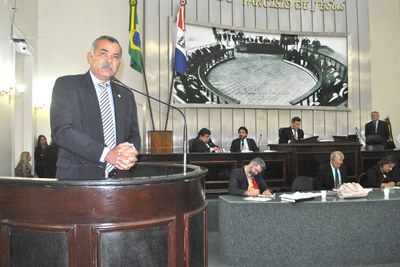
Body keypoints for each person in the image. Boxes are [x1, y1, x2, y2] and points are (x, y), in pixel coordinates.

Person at [50, 35, 141, 180]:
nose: (109, 60)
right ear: (89, 57)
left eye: (115, 57)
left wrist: (128, 154)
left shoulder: (126, 94)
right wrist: (107, 154)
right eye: (103, 54)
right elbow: (61, 132)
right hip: (78, 179)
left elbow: (134, 135)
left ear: (119, 63)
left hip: (120, 179)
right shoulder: (67, 86)